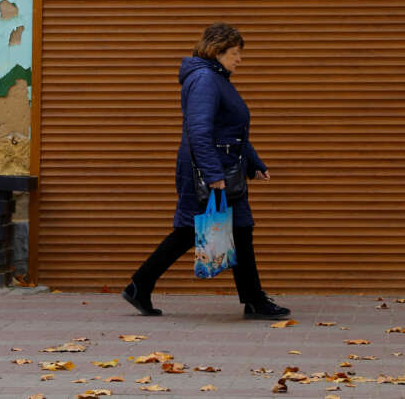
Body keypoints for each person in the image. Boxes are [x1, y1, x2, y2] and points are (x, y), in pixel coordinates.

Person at [123, 23, 290, 319]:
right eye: (236, 52)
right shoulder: (204, 79)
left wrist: (254, 163)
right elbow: (199, 131)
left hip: (224, 167)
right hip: (209, 171)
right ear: (218, 50)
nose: (240, 59)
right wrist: (214, 175)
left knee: (211, 229)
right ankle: (254, 301)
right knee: (220, 229)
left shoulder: (216, 78)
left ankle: (141, 284)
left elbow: (233, 131)